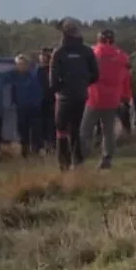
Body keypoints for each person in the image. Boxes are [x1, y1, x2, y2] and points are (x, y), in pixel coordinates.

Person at [50, 19, 98, 171]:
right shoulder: (87, 51)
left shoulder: (58, 52)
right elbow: (96, 75)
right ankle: (78, 162)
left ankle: (63, 164)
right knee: (76, 129)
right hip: (82, 95)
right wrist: (83, 84)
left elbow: (53, 80)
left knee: (61, 129)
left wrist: (60, 89)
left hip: (64, 97)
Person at [83, 29, 129, 169]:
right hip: (113, 98)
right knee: (108, 131)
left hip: (95, 97)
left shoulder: (94, 53)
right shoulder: (121, 56)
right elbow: (126, 76)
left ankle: (81, 156)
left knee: (85, 129)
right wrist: (125, 96)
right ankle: (107, 158)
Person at [11, 54, 44, 158]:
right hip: (21, 107)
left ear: (27, 65)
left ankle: (35, 152)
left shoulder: (35, 75)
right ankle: (24, 152)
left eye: (23, 64)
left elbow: (40, 90)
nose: (21, 66)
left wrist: (38, 101)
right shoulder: (14, 77)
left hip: (35, 107)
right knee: (22, 131)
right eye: (19, 64)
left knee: (36, 130)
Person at [36, 48, 56, 151]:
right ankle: (42, 145)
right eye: (41, 55)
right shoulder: (37, 70)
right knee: (40, 124)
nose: (42, 57)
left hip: (52, 100)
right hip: (39, 101)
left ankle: (52, 144)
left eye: (45, 55)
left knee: (52, 123)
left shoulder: (53, 69)